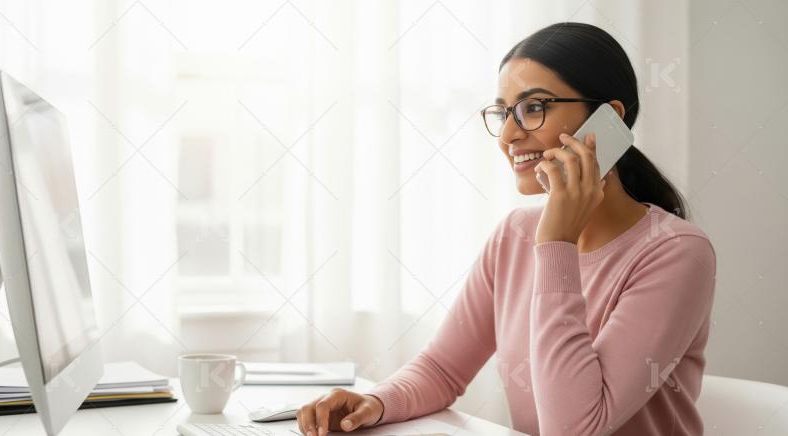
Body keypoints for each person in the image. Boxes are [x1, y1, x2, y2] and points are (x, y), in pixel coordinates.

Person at [296, 22, 716, 436]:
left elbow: (575, 429)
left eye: (534, 108)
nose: (510, 136)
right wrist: (377, 403)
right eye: (503, 112)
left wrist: (556, 243)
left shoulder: (676, 252)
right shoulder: (514, 234)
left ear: (608, 121)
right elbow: (443, 369)